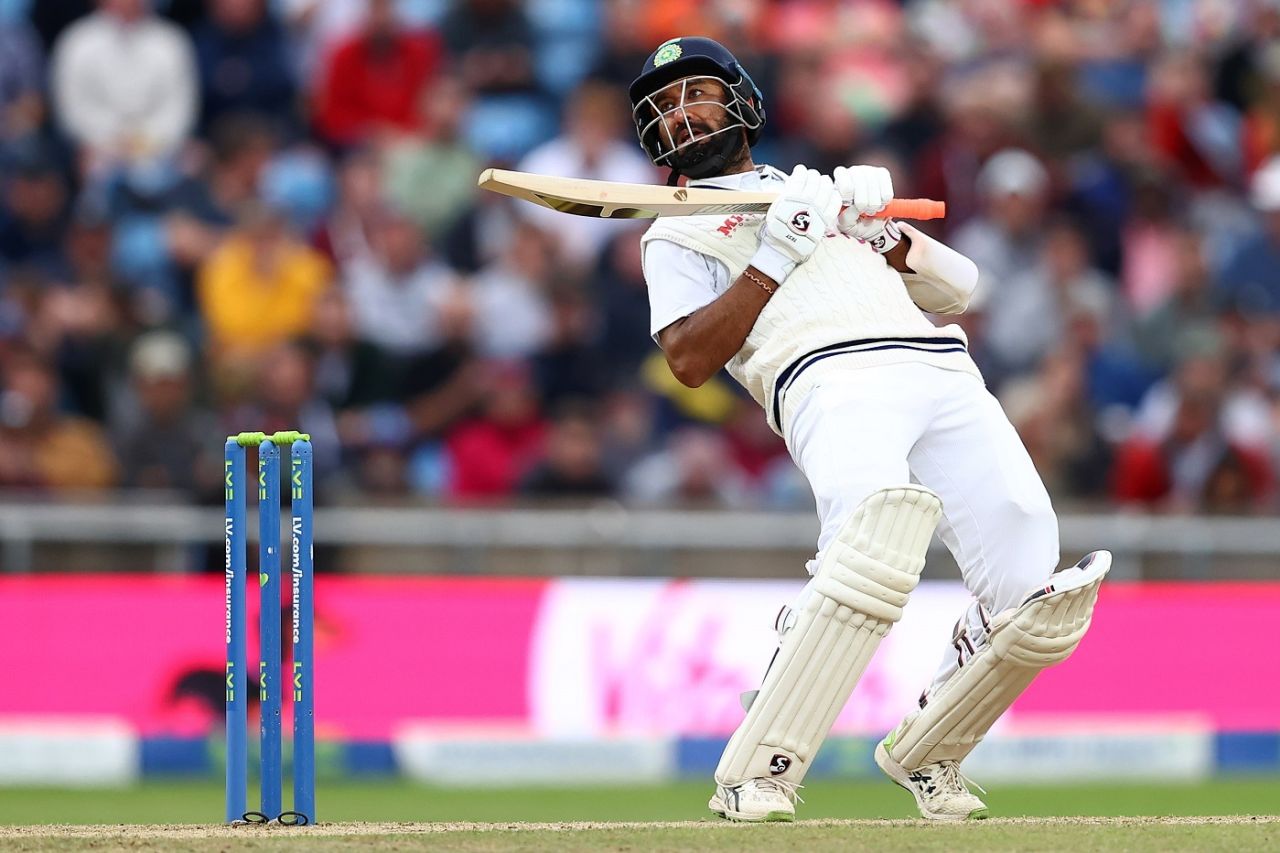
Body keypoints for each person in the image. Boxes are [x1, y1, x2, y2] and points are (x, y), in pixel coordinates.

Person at [629, 36, 1112, 823]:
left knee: (1034, 577)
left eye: (698, 94)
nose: (684, 115)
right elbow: (686, 358)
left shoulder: (815, 192)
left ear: (741, 99)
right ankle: (756, 772)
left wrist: (879, 232)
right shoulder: (673, 232)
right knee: (869, 553)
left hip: (940, 367)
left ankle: (932, 750)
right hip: (827, 377)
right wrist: (772, 257)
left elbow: (962, 287)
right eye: (667, 108)